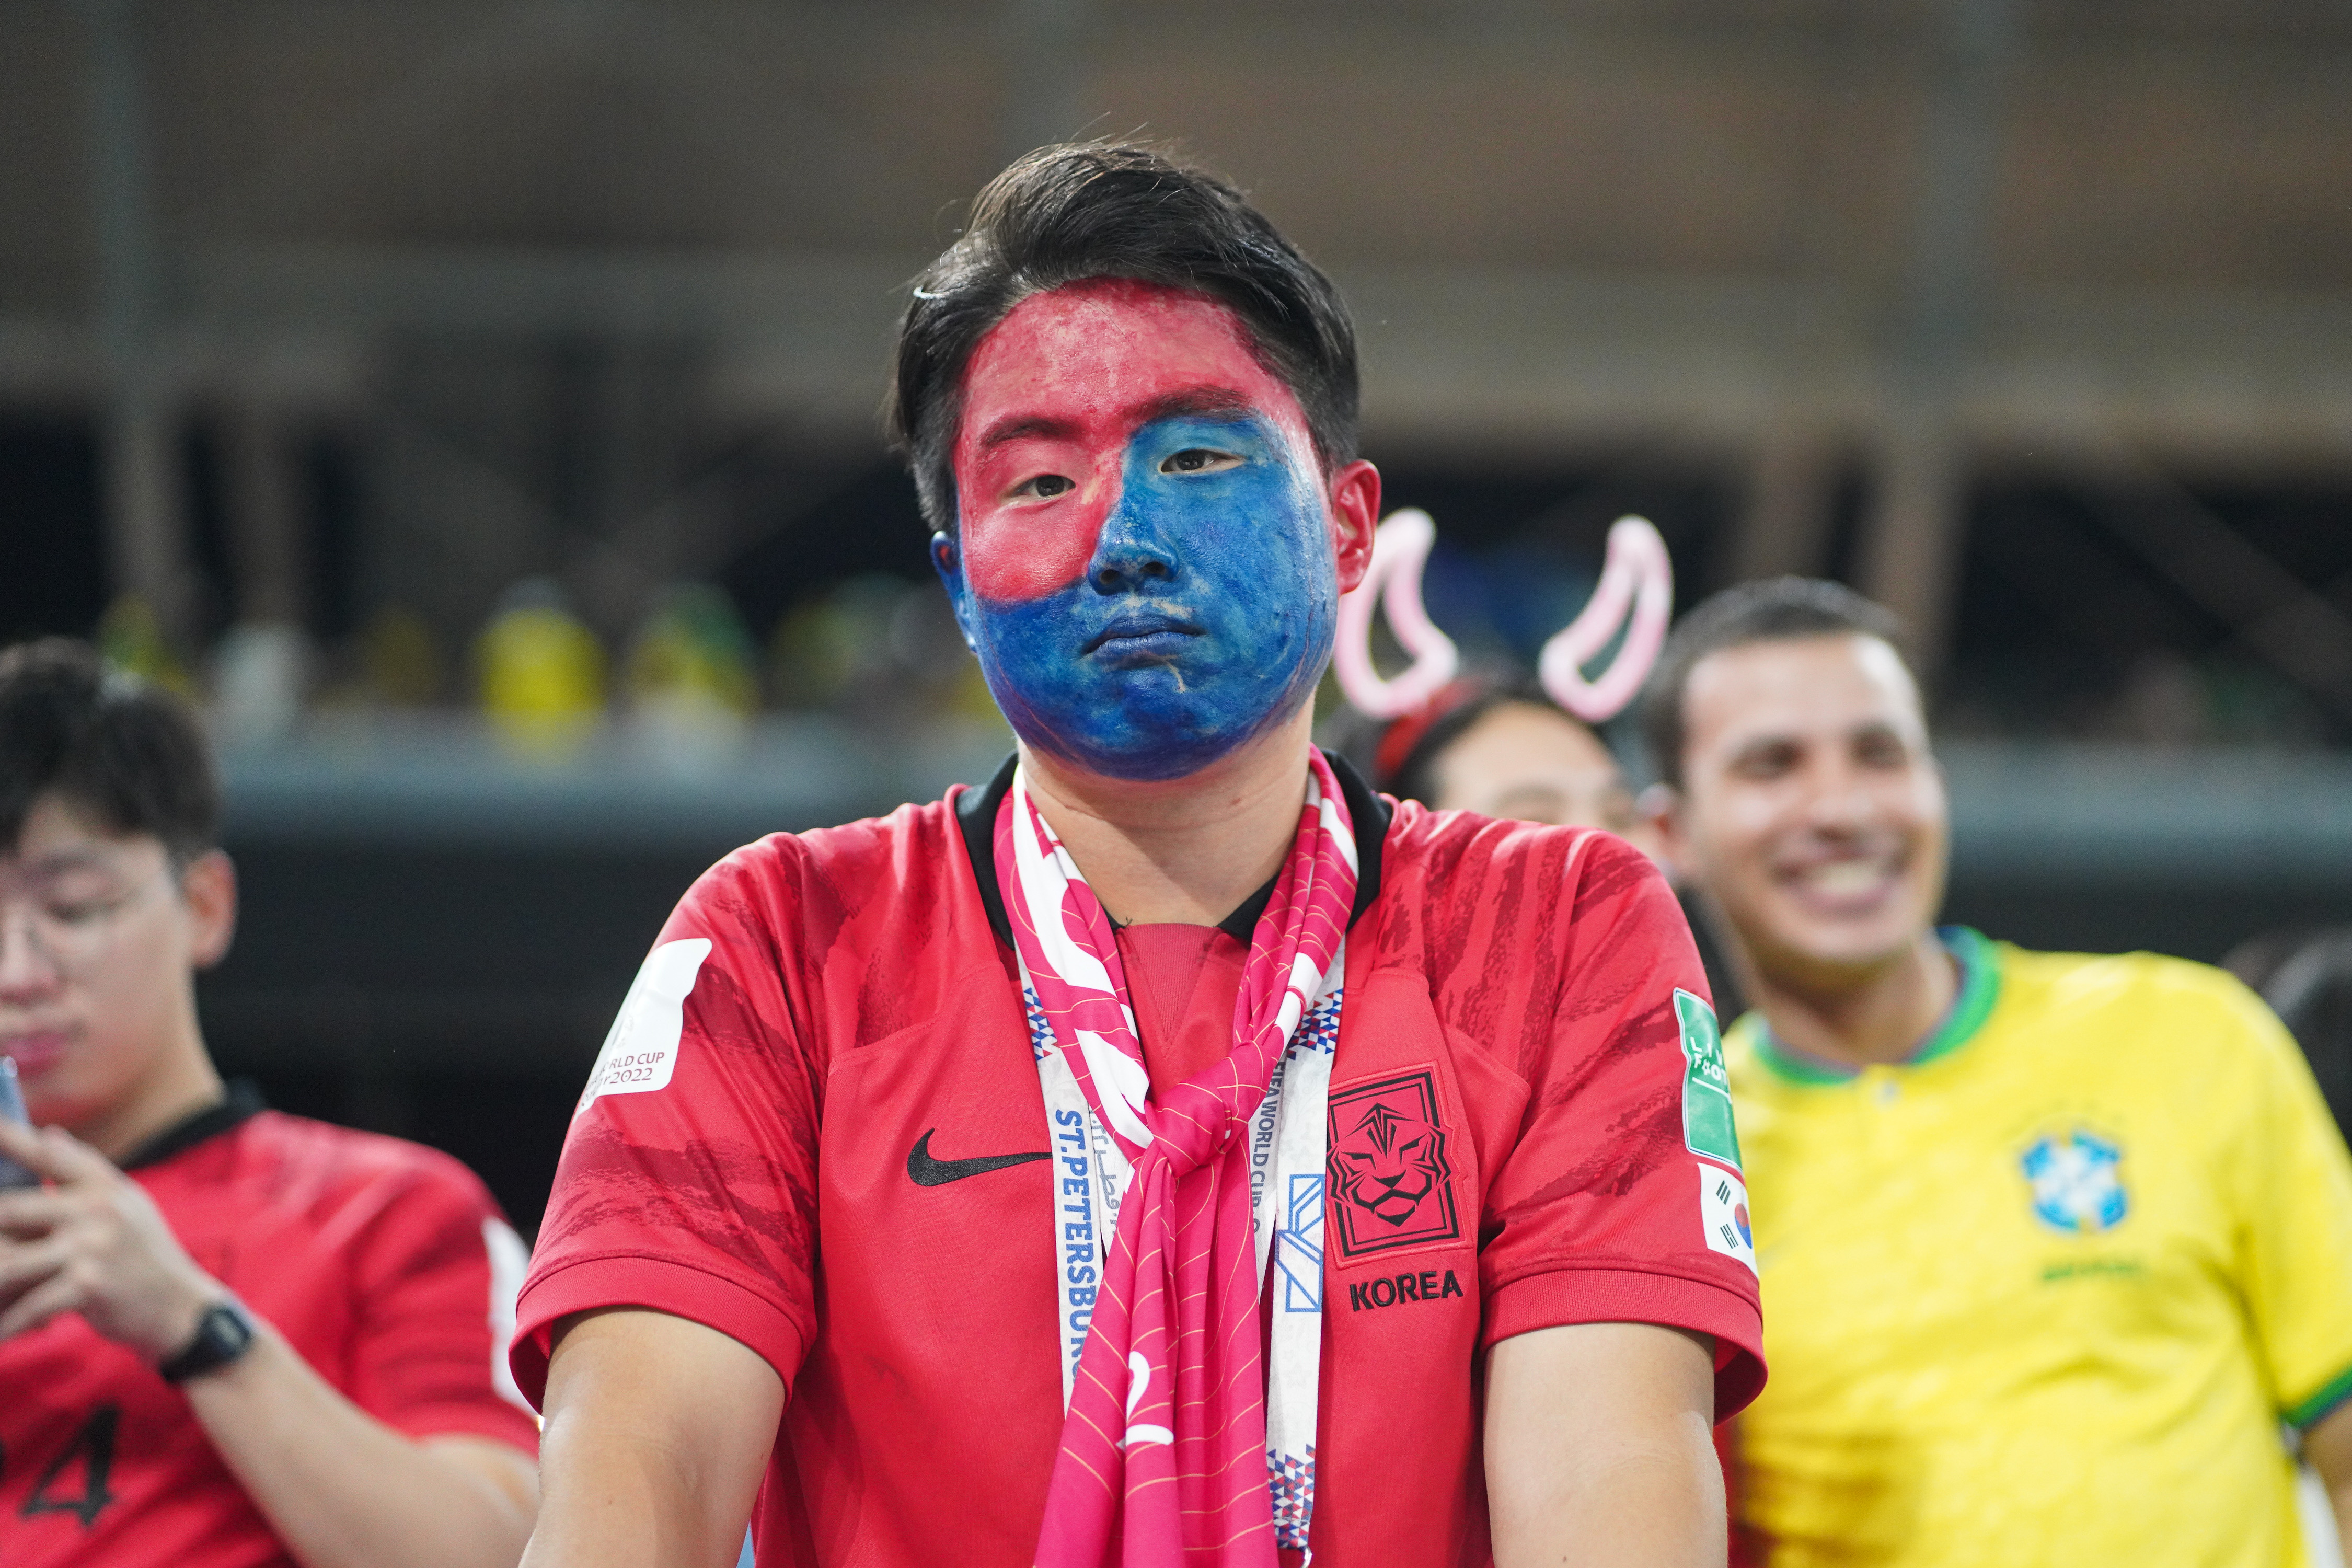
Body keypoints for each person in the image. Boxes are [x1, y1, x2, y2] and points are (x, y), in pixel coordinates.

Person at [513, 141, 1764, 1568]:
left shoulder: (1555, 925)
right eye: (1038, 481)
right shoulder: (784, 941)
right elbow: (637, 1470)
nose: (1123, 540)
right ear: (958, 585)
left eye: (1199, 455)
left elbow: (1608, 1488)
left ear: (1348, 526)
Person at [1642, 577, 2352, 1565]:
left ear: (1935, 782)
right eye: (1773, 765)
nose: (1840, 805)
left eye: (1880, 753)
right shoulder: (1675, 1171)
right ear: (1672, 833)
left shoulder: (2188, 1033)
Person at [0, 639, 541, 1568]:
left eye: (76, 907)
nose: (16, 973)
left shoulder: (396, 1212)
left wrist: (196, 1328)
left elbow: (500, 1552)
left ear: (205, 905)